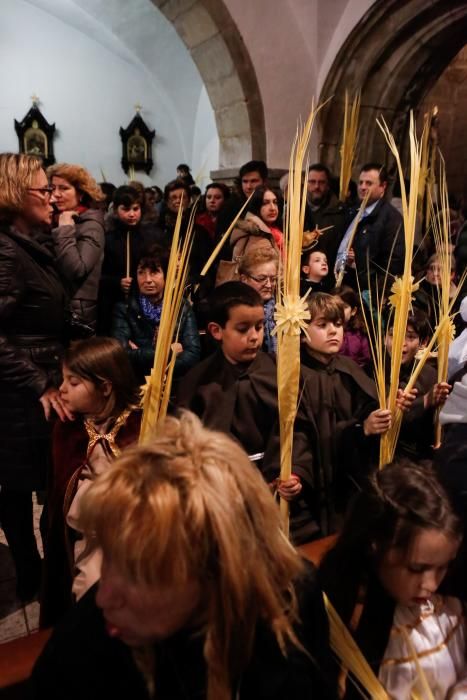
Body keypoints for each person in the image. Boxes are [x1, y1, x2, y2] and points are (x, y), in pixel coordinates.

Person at [32, 411, 335, 699]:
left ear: (217, 566)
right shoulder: (82, 653)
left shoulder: (290, 596)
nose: (104, 597)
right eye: (111, 556)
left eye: (141, 575)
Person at [176, 281, 319, 543]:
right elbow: (189, 449)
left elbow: (299, 430)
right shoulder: (197, 383)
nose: (254, 336)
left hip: (280, 496)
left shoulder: (279, 373)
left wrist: (295, 472)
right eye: (243, 329)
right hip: (227, 502)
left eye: (259, 327)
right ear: (217, 331)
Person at [320, 462, 467, 699]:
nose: (431, 584)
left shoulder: (447, 611)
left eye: (443, 567)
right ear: (375, 547)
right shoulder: (347, 618)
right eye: (417, 568)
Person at [0, 152, 72, 601]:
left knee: (34, 479)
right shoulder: (5, 253)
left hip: (36, 378)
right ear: (14, 193)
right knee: (19, 483)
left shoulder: (28, 246)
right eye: (43, 190)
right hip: (19, 393)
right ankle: (31, 571)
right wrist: (39, 382)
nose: (53, 197)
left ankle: (39, 569)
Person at [41, 337, 141, 627]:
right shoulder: (69, 430)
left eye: (73, 382)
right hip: (94, 542)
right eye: (63, 379)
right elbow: (67, 497)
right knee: (94, 598)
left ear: (105, 387)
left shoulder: (141, 424)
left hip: (142, 539)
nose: (61, 389)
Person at [300, 293, 387, 531]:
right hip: (314, 488)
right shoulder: (296, 375)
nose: (333, 331)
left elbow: (369, 408)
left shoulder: (348, 368)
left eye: (338, 324)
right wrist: (361, 428)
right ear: (301, 331)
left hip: (350, 481)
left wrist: (382, 415)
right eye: (322, 325)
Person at [111, 246, 201, 382]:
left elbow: (193, 356)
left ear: (167, 275)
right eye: (141, 272)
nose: (147, 279)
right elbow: (121, 356)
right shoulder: (124, 309)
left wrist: (140, 353)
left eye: (154, 272)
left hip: (173, 384)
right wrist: (169, 353)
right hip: (136, 384)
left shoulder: (181, 307)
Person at [48, 163, 106, 336]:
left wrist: (65, 229)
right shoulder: (55, 219)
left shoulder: (90, 225)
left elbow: (76, 269)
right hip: (59, 302)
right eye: (52, 188)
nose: (56, 194)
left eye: (64, 188)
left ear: (80, 193)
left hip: (78, 309)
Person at [98, 185, 165, 334]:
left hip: (147, 303)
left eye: (135, 209)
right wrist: (117, 282)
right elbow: (98, 276)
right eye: (126, 209)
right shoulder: (108, 239)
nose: (132, 214)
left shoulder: (153, 236)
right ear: (115, 210)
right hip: (115, 304)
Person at [385, 308, 450, 460]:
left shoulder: (430, 375)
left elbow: (434, 427)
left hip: (416, 461)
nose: (400, 343)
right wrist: (425, 401)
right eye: (393, 334)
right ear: (384, 337)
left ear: (424, 342)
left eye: (410, 337)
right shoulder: (372, 372)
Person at [335, 163, 404, 295]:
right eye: (360, 182)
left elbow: (392, 264)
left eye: (369, 183)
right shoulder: (352, 210)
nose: (362, 187)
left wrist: (358, 265)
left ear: (382, 186)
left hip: (363, 291)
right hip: (341, 284)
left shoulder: (391, 219)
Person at [305, 164, 347, 281]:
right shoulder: (294, 210)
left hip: (329, 277)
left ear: (328, 185)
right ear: (305, 184)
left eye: (321, 182)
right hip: (300, 276)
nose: (316, 186)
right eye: (312, 182)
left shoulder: (340, 211)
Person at [238, 247, 279, 353]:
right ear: (244, 279)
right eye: (261, 279)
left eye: (273, 279)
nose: (269, 285)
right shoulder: (234, 311)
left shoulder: (284, 309)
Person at [215, 160, 268, 240]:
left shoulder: (272, 203)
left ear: (264, 182)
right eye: (245, 181)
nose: (248, 186)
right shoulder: (230, 206)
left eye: (254, 181)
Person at [332, 285, 370, 368]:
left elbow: (365, 358)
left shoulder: (359, 333)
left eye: (343, 307)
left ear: (353, 311)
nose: (338, 311)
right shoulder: (328, 331)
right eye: (334, 306)